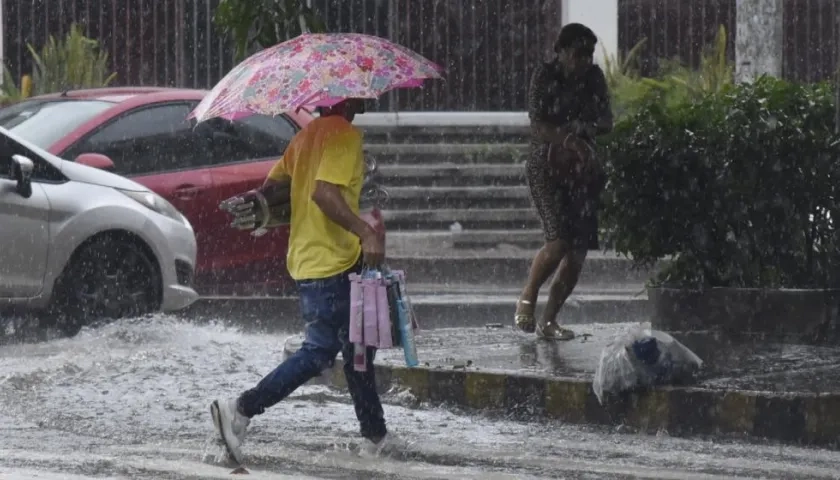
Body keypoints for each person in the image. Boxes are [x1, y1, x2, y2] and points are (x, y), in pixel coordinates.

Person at [210, 98, 397, 464]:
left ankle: (375, 434)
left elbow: (273, 187)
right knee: (320, 352)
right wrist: (366, 232)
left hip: (308, 259)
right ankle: (241, 408)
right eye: (362, 91)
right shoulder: (344, 135)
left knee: (358, 349)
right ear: (347, 97)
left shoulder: (306, 136)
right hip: (334, 263)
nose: (369, 97)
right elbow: (324, 193)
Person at [514, 23, 614, 340]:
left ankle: (549, 321)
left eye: (589, 54)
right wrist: (571, 139)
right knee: (558, 242)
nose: (584, 60)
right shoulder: (544, 77)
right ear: (560, 51)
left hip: (583, 171)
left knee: (578, 252)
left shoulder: (594, 79)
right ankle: (527, 298)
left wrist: (581, 130)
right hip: (546, 166)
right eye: (577, 53)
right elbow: (539, 126)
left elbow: (606, 121)